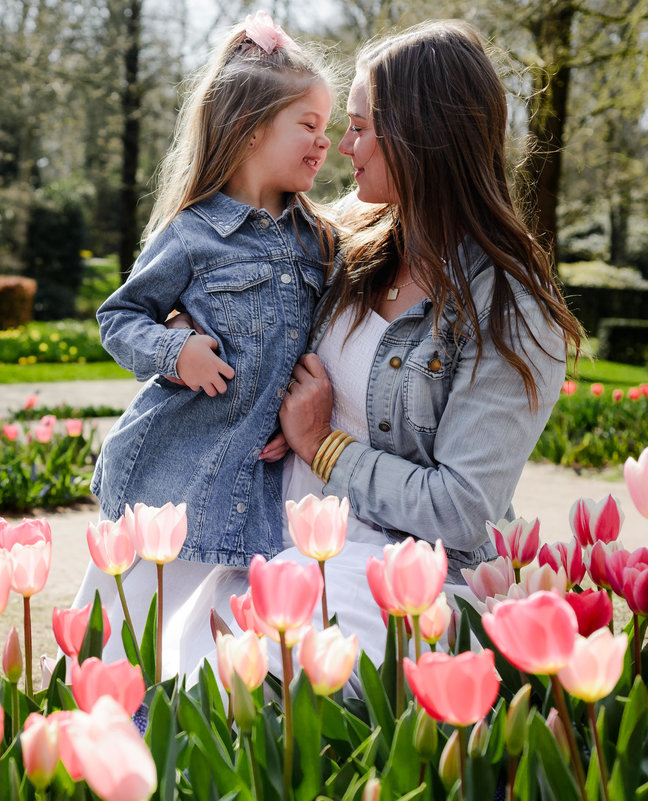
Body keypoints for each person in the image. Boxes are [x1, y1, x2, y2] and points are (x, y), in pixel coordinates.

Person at [168, 19, 585, 681]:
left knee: (246, 685)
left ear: (420, 135)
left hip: (409, 578)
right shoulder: (340, 242)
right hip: (280, 538)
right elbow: (211, 262)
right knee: (153, 633)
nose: (343, 145)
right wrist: (181, 323)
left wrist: (321, 445)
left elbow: (458, 507)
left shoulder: (510, 308)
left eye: (360, 126)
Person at [71, 12, 337, 662]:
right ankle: (75, 731)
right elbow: (120, 317)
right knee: (115, 624)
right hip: (173, 465)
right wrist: (175, 351)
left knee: (222, 639)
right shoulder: (192, 233)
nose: (324, 142)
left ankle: (176, 747)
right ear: (250, 133)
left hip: (260, 483)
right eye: (308, 125)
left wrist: (291, 410)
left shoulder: (322, 241)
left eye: (329, 128)